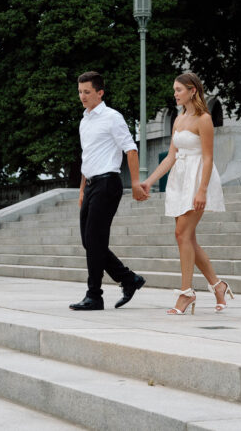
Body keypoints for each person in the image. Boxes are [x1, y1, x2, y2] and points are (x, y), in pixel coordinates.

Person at [140, 72, 234, 315]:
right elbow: (171, 156)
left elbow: (208, 157)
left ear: (193, 90)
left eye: (178, 90)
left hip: (197, 178)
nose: (175, 94)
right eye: (175, 89)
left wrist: (201, 190)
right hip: (179, 179)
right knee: (187, 238)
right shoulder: (179, 119)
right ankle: (218, 285)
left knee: (181, 233)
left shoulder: (204, 119)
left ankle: (186, 293)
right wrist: (149, 181)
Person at [70, 71, 148, 311]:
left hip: (108, 184)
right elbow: (87, 157)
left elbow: (130, 149)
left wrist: (135, 183)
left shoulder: (113, 117)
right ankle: (128, 278)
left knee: (95, 240)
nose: (82, 96)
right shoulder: (85, 121)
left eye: (87, 92)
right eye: (80, 92)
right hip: (92, 185)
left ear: (100, 93)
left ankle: (94, 295)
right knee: (89, 241)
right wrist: (83, 189)